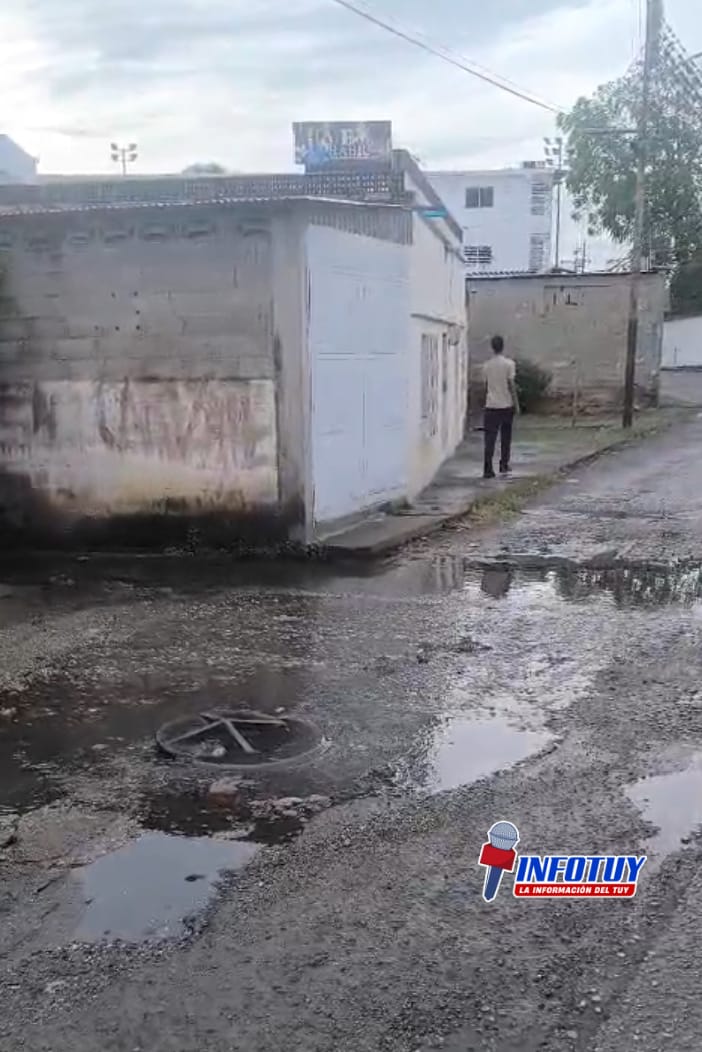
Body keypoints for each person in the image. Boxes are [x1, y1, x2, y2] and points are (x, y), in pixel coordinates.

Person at [482, 335, 519, 479]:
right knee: (506, 436)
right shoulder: (509, 364)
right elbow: (511, 385)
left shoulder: (486, 365)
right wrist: (516, 404)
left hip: (491, 405)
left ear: (492, 347)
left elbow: (486, 386)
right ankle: (504, 464)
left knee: (490, 438)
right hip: (506, 405)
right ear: (503, 346)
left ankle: (487, 468)